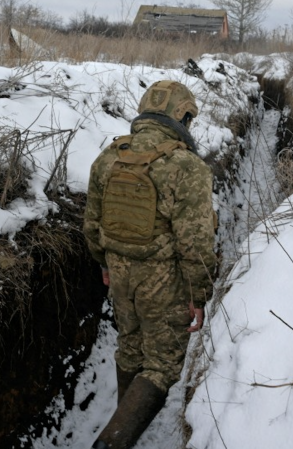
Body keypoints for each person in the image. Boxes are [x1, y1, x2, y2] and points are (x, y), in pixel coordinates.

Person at [83, 80, 217, 449]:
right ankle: (114, 441)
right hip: (165, 279)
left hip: (119, 274)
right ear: (182, 116)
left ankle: (119, 425)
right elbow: (195, 243)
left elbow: (92, 225)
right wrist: (198, 293)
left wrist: (104, 264)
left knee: (130, 348)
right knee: (160, 365)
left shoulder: (109, 156)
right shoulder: (186, 167)